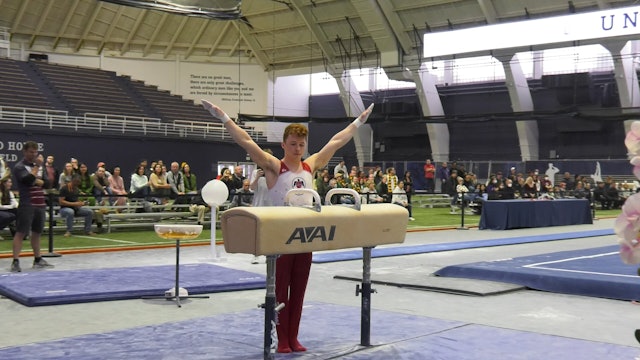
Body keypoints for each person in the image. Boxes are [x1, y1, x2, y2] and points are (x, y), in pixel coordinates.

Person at [202, 99, 373, 354]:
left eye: (301, 144)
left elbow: (336, 142)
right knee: (280, 292)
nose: (297, 148)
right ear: (283, 144)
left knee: (300, 291)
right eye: (292, 144)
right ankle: (280, 339)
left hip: (306, 235)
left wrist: (359, 121)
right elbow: (246, 141)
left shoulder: (310, 166)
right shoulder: (273, 166)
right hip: (281, 238)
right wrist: (223, 117)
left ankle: (293, 337)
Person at [11, 141, 53, 272]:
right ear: (24, 152)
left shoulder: (40, 167)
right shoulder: (19, 167)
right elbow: (28, 181)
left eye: (35, 152)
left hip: (40, 202)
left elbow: (47, 184)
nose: (33, 154)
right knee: (21, 232)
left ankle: (38, 259)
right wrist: (36, 169)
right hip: (27, 203)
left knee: (37, 232)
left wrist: (35, 179)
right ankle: (15, 261)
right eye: (31, 152)